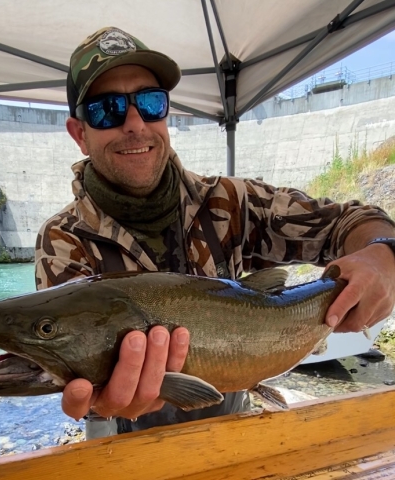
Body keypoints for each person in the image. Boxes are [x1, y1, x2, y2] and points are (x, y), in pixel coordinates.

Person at [35, 26, 395, 438]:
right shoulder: (63, 241)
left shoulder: (231, 201)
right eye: (107, 109)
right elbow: (69, 368)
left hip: (232, 423)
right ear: (80, 133)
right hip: (121, 435)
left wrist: (382, 253)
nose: (135, 124)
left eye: (151, 103)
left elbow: (349, 222)